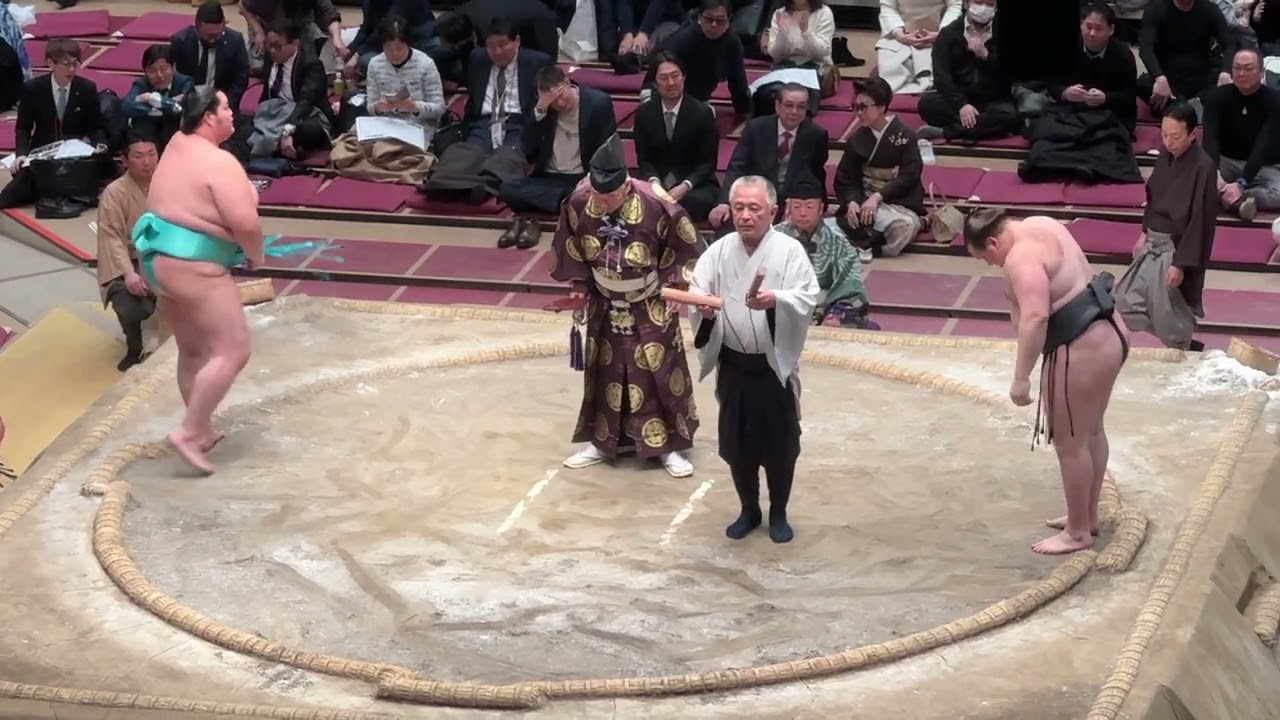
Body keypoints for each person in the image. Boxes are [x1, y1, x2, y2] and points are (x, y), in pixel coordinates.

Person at [963, 209, 1130, 555]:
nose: (991, 265)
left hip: (1081, 344)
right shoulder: (1041, 223)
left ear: (993, 241)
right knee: (1092, 432)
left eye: (986, 258)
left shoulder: (1020, 259)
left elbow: (1036, 317)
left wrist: (1021, 378)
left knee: (1071, 444)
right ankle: (1087, 515)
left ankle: (1078, 532)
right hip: (1110, 330)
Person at [548, 134, 704, 478]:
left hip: (649, 299)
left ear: (626, 187)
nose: (603, 203)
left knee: (658, 373)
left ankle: (670, 448)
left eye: (611, 197)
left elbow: (686, 245)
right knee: (606, 370)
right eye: (598, 196)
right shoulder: (578, 201)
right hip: (604, 299)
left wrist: (674, 282)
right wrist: (579, 288)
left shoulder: (657, 202)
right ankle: (604, 442)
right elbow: (571, 247)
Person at [134, 87, 265, 474]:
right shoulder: (219, 162)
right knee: (233, 349)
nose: (232, 113)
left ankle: (202, 429)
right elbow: (245, 223)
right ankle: (190, 431)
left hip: (156, 263)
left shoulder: (177, 142)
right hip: (194, 265)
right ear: (208, 117)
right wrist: (256, 256)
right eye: (225, 107)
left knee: (193, 350)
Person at [687, 176, 819, 543]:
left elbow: (806, 296)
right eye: (739, 208)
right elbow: (698, 290)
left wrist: (775, 299)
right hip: (734, 363)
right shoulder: (718, 250)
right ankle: (749, 509)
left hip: (772, 365)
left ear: (773, 212)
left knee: (780, 446)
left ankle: (778, 511)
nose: (745, 216)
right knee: (737, 445)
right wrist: (705, 309)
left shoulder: (790, 251)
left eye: (754, 208)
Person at [1115, 102, 1217, 351]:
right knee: (1124, 303)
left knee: (1167, 312)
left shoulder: (1204, 167)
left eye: (1176, 137)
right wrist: (1143, 232)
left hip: (1175, 248)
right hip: (1152, 242)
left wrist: (1180, 263)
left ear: (1193, 134)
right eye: (1164, 135)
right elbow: (1152, 196)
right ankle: (1181, 340)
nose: (1169, 142)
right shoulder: (1165, 156)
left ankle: (1184, 344)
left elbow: (1201, 221)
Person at [834, 76, 925, 262]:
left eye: (863, 107)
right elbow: (846, 178)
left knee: (904, 226)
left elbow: (909, 176)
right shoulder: (856, 140)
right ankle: (865, 240)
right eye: (855, 107)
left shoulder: (906, 137)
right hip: (864, 201)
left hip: (898, 203)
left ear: (882, 106)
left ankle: (871, 247)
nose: (858, 113)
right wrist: (852, 201)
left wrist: (878, 196)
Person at [774, 172, 871, 328]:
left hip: (824, 307)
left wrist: (836, 314)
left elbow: (851, 286)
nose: (803, 213)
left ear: (821, 209)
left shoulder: (837, 241)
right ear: (788, 207)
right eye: (797, 206)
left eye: (809, 207)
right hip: (780, 305)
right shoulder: (774, 237)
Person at [96, 134, 160, 372]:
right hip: (128, 259)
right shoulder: (115, 192)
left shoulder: (169, 183)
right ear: (124, 159)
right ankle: (134, 346)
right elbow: (111, 237)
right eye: (139, 156)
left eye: (152, 154)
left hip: (166, 254)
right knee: (132, 303)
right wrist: (128, 273)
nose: (147, 162)